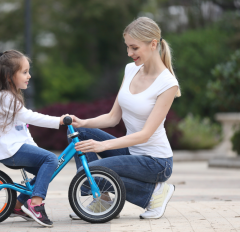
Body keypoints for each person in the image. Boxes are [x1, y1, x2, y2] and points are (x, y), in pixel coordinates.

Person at [68, 17, 180, 220]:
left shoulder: (167, 84)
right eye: (127, 47)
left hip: (156, 161)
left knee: (91, 170)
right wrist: (83, 123)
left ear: (153, 44)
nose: (129, 53)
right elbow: (113, 117)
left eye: (134, 48)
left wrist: (104, 146)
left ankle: (154, 194)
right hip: (132, 151)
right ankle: (102, 199)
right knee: (80, 134)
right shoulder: (131, 70)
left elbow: (145, 135)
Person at [0, 50, 73, 227]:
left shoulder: (10, 96)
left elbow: (23, 129)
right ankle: (36, 204)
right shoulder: (5, 97)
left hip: (15, 147)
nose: (29, 76)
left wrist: (36, 149)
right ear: (9, 76)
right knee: (51, 159)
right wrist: (59, 120)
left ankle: (18, 205)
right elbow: (30, 117)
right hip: (10, 150)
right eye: (24, 72)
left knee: (46, 166)